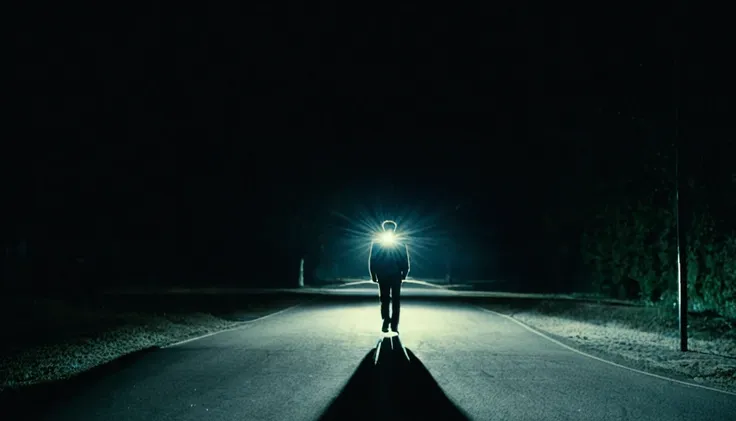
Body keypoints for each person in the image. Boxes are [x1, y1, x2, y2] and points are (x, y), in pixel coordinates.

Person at [368, 220, 410, 333]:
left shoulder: (378, 242)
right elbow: (405, 259)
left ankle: (389, 322)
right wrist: (404, 273)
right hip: (391, 275)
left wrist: (373, 274)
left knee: (387, 299)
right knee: (391, 299)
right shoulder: (397, 242)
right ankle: (390, 323)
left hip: (386, 275)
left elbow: (372, 260)